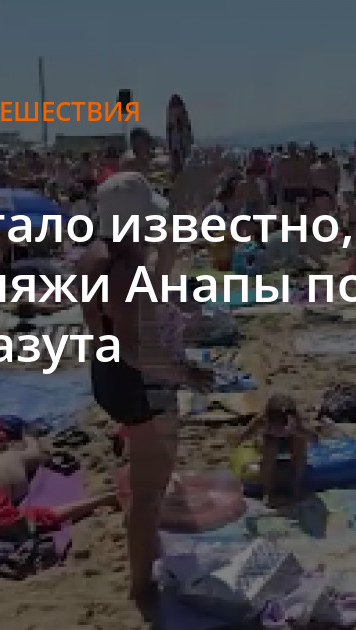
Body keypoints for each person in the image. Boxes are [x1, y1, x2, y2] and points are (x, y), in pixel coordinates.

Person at [76, 172, 211, 605]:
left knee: (145, 483)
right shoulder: (125, 269)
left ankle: (145, 564)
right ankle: (141, 587)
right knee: (149, 492)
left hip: (111, 375)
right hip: (140, 383)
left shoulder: (97, 255)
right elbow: (133, 349)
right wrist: (184, 374)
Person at [234, 394, 321, 507]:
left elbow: (315, 439)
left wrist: (297, 431)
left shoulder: (297, 421)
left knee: (299, 441)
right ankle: (268, 491)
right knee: (271, 446)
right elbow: (245, 434)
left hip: (291, 441)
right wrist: (245, 445)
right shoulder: (263, 420)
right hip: (271, 442)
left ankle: (296, 486)